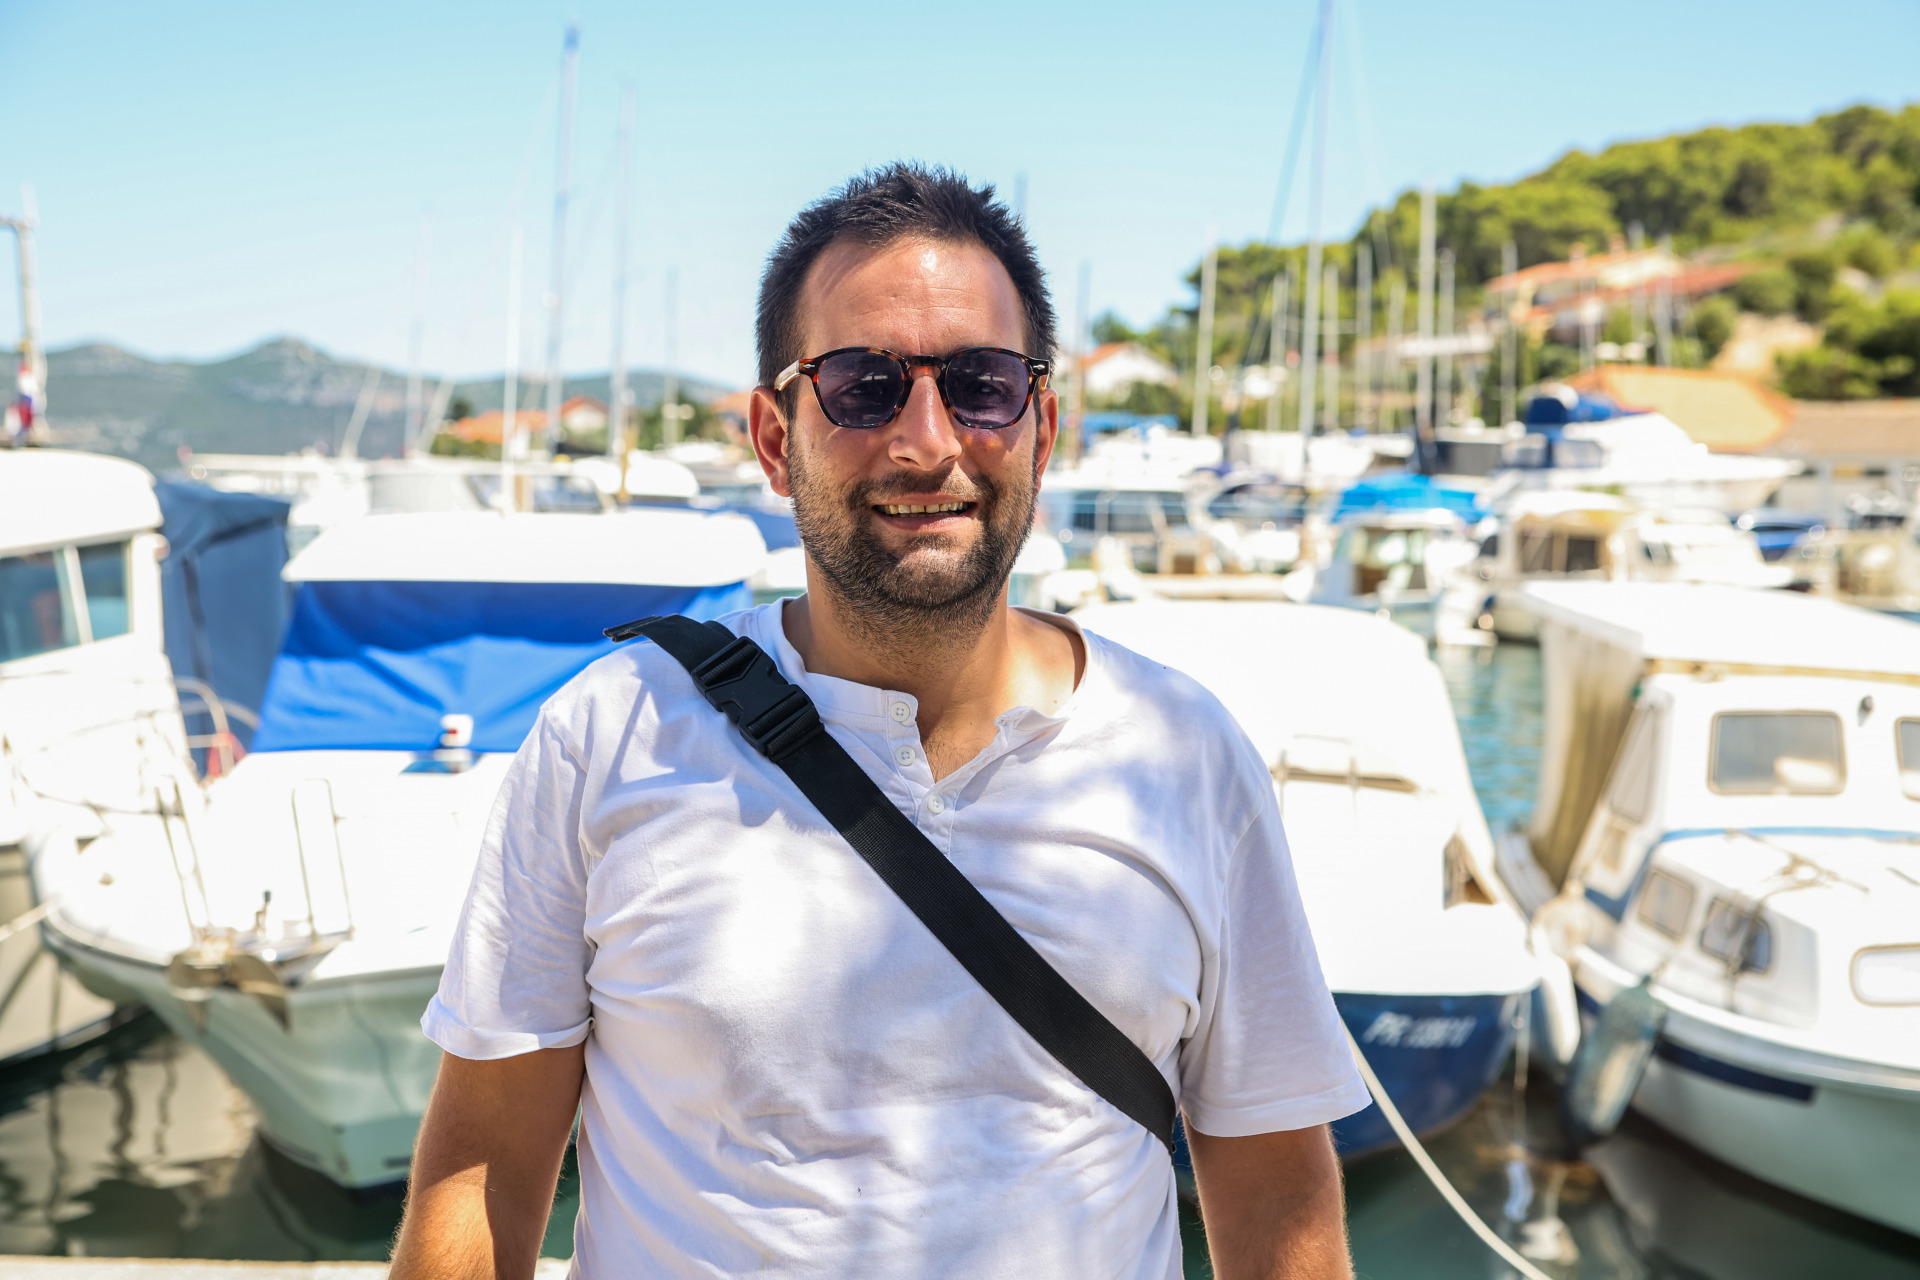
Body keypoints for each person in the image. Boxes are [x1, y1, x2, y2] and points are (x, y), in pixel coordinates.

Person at [389, 163, 1368, 1280]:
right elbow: (485, 1164)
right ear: (774, 438)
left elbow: (1276, 1188)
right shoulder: (611, 736)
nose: (928, 440)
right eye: (864, 385)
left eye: (981, 384)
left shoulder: (1184, 757)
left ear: (1043, 427)